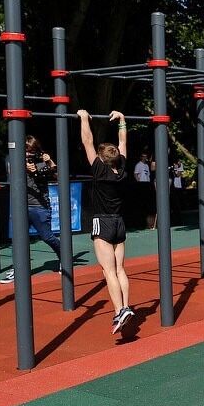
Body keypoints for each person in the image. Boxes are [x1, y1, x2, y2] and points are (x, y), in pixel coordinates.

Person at [78, 110, 135, 334]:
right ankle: (125, 306)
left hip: (102, 223)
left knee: (108, 271)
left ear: (102, 159)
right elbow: (123, 142)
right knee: (119, 269)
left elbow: (87, 141)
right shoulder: (122, 169)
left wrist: (84, 117)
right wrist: (122, 120)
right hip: (119, 223)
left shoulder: (99, 170)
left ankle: (119, 310)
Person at [0, 136, 62, 284]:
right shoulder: (14, 159)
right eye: (26, 150)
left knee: (47, 237)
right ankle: (18, 269)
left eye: (31, 151)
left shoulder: (40, 160)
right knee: (18, 239)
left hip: (39, 206)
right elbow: (11, 171)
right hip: (20, 205)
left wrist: (49, 162)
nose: (28, 153)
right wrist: (25, 167)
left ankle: (64, 257)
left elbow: (56, 176)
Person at [133, 151, 156, 229]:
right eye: (143, 156)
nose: (145, 158)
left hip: (147, 183)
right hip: (141, 184)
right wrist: (138, 181)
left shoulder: (146, 165)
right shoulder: (138, 165)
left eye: (146, 156)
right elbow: (136, 174)